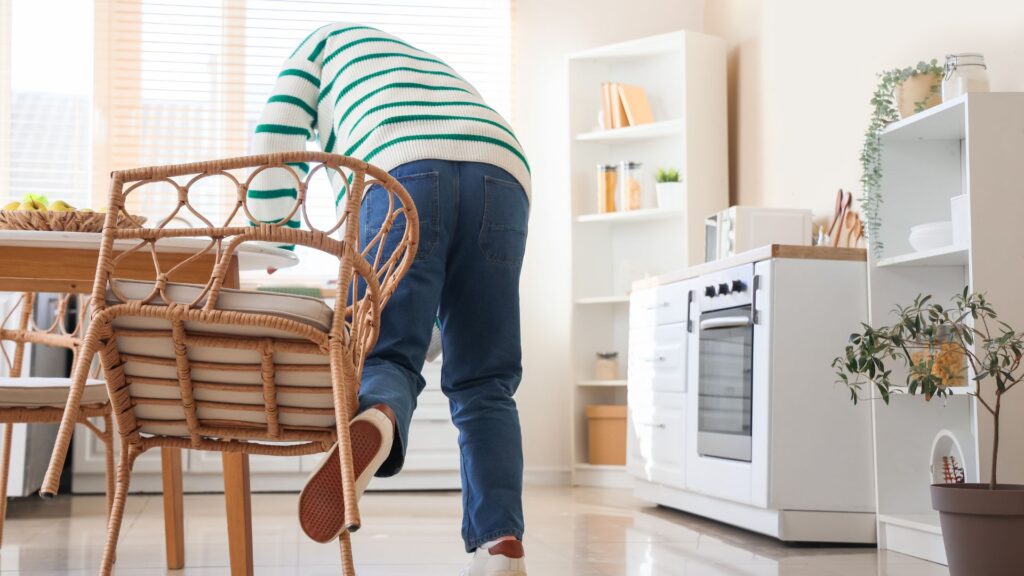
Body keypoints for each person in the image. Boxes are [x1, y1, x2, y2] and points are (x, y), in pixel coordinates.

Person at [248, 23, 530, 576]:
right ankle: (502, 543)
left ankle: (379, 412)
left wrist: (272, 241)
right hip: (504, 167)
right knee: (485, 380)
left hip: (402, 165)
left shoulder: (320, 44)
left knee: (386, 353)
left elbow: (276, 135)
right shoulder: (429, 69)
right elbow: (455, 299)